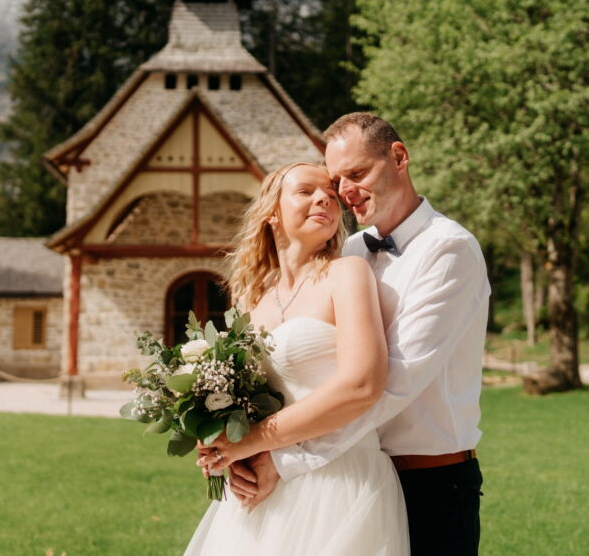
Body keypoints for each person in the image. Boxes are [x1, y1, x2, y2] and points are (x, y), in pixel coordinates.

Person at [204, 113, 490, 555]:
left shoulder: (448, 250)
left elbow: (388, 384)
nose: (343, 193)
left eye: (356, 174)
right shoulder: (349, 253)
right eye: (338, 180)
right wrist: (225, 443)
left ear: (399, 156)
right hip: (333, 470)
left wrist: (275, 453)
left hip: (428, 480)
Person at [184, 161, 409, 555]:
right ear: (272, 213)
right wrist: (226, 451)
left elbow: (362, 386)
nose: (324, 197)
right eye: (306, 191)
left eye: (330, 194)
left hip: (339, 480)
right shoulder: (250, 295)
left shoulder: (348, 273)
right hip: (263, 488)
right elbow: (243, 399)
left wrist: (249, 443)